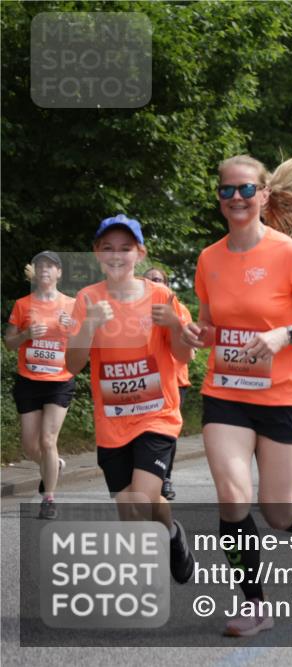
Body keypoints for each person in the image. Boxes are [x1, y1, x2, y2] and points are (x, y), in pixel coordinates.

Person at [181, 146, 292, 637]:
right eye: (227, 190)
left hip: (286, 396)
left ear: (264, 194)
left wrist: (284, 335)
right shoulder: (209, 259)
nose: (236, 197)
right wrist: (200, 334)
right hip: (227, 394)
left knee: (277, 509)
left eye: (245, 189)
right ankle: (253, 603)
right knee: (233, 499)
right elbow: (212, 324)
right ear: (219, 198)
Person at [65, 215, 196, 581]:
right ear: (97, 253)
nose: (117, 255)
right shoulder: (87, 299)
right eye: (108, 248)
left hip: (158, 415)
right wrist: (89, 325)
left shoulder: (162, 297)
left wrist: (174, 325)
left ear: (140, 253)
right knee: (134, 509)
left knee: (141, 500)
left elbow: (185, 358)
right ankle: (173, 535)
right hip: (113, 422)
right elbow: (72, 364)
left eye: (125, 248)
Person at [5, 251, 75, 519]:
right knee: (30, 446)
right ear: (34, 272)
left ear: (59, 273)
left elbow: (84, 344)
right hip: (29, 381)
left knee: (47, 440)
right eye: (40, 265)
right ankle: (54, 465)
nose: (45, 269)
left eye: (51, 265)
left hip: (59, 381)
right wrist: (25, 334)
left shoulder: (72, 304)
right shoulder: (23, 305)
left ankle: (49, 498)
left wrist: (75, 328)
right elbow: (9, 344)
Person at [142, 267, 191, 502]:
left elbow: (189, 348)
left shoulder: (179, 309)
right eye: (150, 280)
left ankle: (166, 477)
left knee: (166, 434)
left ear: (167, 284)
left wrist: (174, 324)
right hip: (146, 381)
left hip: (175, 381)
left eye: (159, 280)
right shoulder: (137, 310)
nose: (154, 283)